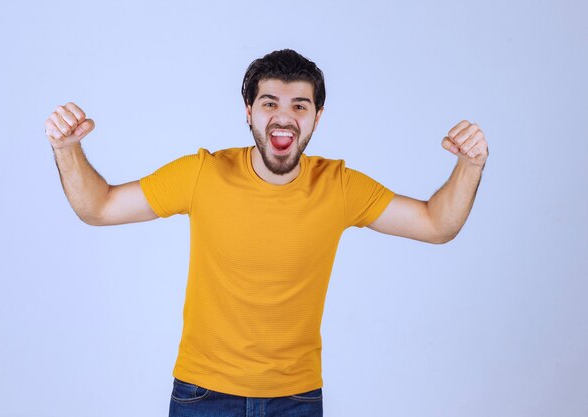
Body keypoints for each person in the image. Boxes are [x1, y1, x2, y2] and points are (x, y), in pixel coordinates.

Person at [44, 49, 488, 417]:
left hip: (295, 399)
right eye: (270, 102)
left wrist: (469, 166)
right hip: (202, 396)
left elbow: (436, 224)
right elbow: (99, 207)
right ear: (249, 113)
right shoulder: (203, 174)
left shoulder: (338, 186)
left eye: (300, 105)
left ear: (316, 119)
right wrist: (68, 149)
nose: (284, 115)